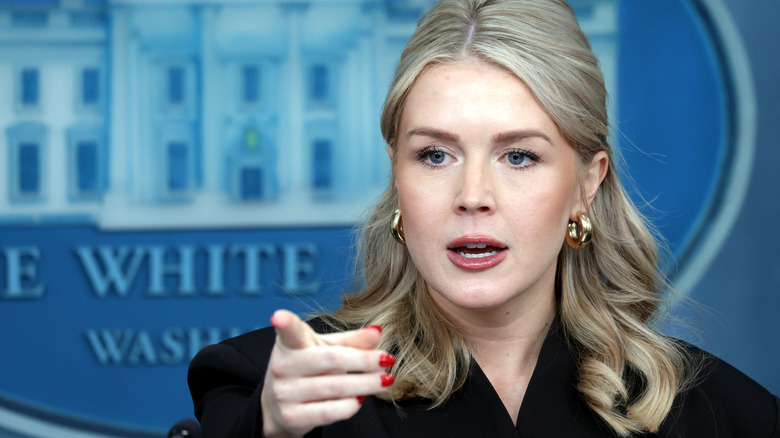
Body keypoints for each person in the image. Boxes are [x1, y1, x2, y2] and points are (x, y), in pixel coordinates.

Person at [188, 0, 780, 436]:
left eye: (518, 156)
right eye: (435, 155)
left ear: (587, 184)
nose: (473, 195)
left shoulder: (720, 414)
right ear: (398, 174)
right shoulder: (271, 389)